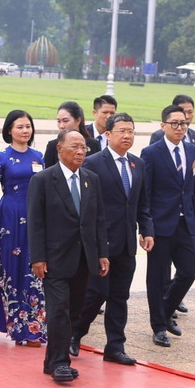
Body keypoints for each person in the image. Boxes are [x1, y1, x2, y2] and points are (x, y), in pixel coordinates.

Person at [72, 113, 153, 365]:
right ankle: (74, 333)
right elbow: (86, 206)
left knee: (120, 295)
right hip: (101, 243)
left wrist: (146, 230)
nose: (127, 136)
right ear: (108, 134)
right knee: (95, 293)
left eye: (131, 131)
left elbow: (142, 203)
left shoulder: (137, 165)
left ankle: (115, 347)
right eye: (122, 131)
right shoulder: (93, 163)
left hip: (127, 243)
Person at [28, 130, 109, 382]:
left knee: (73, 311)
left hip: (84, 258)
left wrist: (101, 253)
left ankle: (50, 360)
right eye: (74, 147)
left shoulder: (91, 179)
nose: (80, 152)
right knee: (59, 311)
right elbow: (35, 222)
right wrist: (38, 257)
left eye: (84, 148)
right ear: (59, 148)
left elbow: (97, 219)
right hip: (54, 259)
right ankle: (60, 364)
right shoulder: (43, 180)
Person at [0, 110, 46, 346]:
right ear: (9, 131)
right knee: (4, 268)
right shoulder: (1, 157)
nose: (25, 131)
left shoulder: (39, 156)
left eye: (28, 126)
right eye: (20, 127)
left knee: (31, 269)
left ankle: (30, 327)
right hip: (8, 218)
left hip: (33, 217)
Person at [140, 104, 195, 347]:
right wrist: (146, 228)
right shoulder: (150, 153)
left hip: (186, 223)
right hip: (160, 226)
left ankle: (166, 311)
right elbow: (144, 194)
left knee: (189, 269)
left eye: (184, 124)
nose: (180, 128)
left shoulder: (193, 151)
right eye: (175, 124)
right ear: (163, 126)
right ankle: (158, 326)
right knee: (157, 278)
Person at [42, 101, 100, 168]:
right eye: (58, 121)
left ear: (78, 121)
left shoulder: (93, 144)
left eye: (65, 121)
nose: (61, 126)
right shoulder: (53, 145)